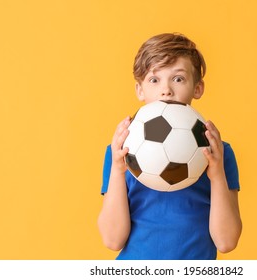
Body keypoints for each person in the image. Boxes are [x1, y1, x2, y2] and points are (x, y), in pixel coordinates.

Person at [98, 33, 242, 260]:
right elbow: (112, 239)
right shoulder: (120, 152)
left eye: (178, 79)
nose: (166, 90)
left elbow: (226, 241)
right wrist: (117, 170)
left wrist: (217, 176)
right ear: (140, 90)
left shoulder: (219, 152)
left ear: (198, 88)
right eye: (154, 80)